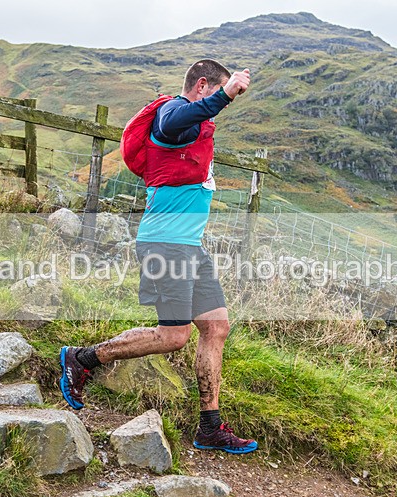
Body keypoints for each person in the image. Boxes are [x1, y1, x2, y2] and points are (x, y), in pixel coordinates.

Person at [59, 59, 257, 454]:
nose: (221, 104)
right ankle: (82, 359)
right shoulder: (172, 114)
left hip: (189, 247)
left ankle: (210, 427)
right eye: (215, 92)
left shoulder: (195, 127)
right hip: (165, 245)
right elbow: (171, 124)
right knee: (174, 336)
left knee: (216, 328)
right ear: (202, 86)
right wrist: (226, 93)